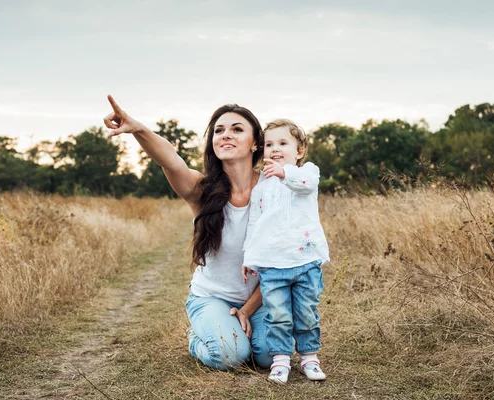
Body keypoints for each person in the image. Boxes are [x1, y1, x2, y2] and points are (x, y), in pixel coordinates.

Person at [104, 95, 273, 370]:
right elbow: (170, 160)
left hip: (259, 297)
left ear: (255, 142)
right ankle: (198, 336)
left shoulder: (274, 188)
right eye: (219, 130)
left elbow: (281, 263)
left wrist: (247, 310)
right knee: (230, 355)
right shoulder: (201, 188)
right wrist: (138, 129)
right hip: (212, 297)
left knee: (268, 356)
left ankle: (238, 329)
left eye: (237, 129)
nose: (225, 135)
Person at [241, 119, 330, 384]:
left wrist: (284, 173)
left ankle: (309, 358)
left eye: (283, 143)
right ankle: (280, 362)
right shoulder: (262, 186)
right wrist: (250, 257)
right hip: (272, 264)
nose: (275, 149)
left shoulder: (307, 172)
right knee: (277, 315)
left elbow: (306, 184)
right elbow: (255, 223)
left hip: (305, 260)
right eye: (269, 144)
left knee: (306, 313)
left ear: (299, 150)